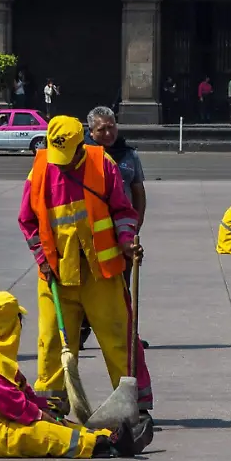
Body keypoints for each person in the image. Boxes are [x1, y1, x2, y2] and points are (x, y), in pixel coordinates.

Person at [18, 116, 153, 422]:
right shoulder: (41, 167)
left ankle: (133, 406)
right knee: (52, 344)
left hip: (101, 273)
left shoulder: (102, 163)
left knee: (118, 338)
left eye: (67, 159)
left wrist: (127, 242)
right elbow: (27, 221)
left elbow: (122, 210)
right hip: (56, 274)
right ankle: (52, 408)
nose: (61, 166)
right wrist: (42, 259)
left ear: (82, 146)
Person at [0, 291, 150, 458]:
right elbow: (17, 407)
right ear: (8, 325)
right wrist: (47, 418)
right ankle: (107, 446)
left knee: (56, 424)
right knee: (40, 434)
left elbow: (21, 391)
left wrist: (50, 412)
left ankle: (106, 435)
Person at [80, 106, 150, 350]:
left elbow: (139, 192)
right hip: (92, 235)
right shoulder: (84, 155)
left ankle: (128, 334)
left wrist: (135, 227)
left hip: (124, 234)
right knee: (89, 286)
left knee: (122, 286)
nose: (108, 133)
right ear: (91, 130)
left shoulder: (129, 155)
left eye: (112, 127)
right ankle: (81, 330)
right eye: (102, 129)